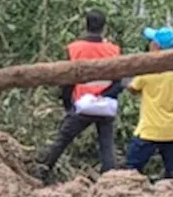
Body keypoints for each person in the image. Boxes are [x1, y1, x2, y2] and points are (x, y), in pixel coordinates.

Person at [35, 10, 122, 179]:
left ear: (85, 25)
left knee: (62, 140)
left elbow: (67, 80)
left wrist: (68, 104)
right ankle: (109, 180)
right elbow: (119, 81)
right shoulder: (114, 50)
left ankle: (42, 171)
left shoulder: (74, 49)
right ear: (104, 27)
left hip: (81, 104)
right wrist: (106, 95)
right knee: (106, 146)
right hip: (105, 105)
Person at [125, 27, 173, 180]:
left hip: (150, 129)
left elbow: (132, 88)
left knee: (131, 168)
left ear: (156, 47)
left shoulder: (149, 71)